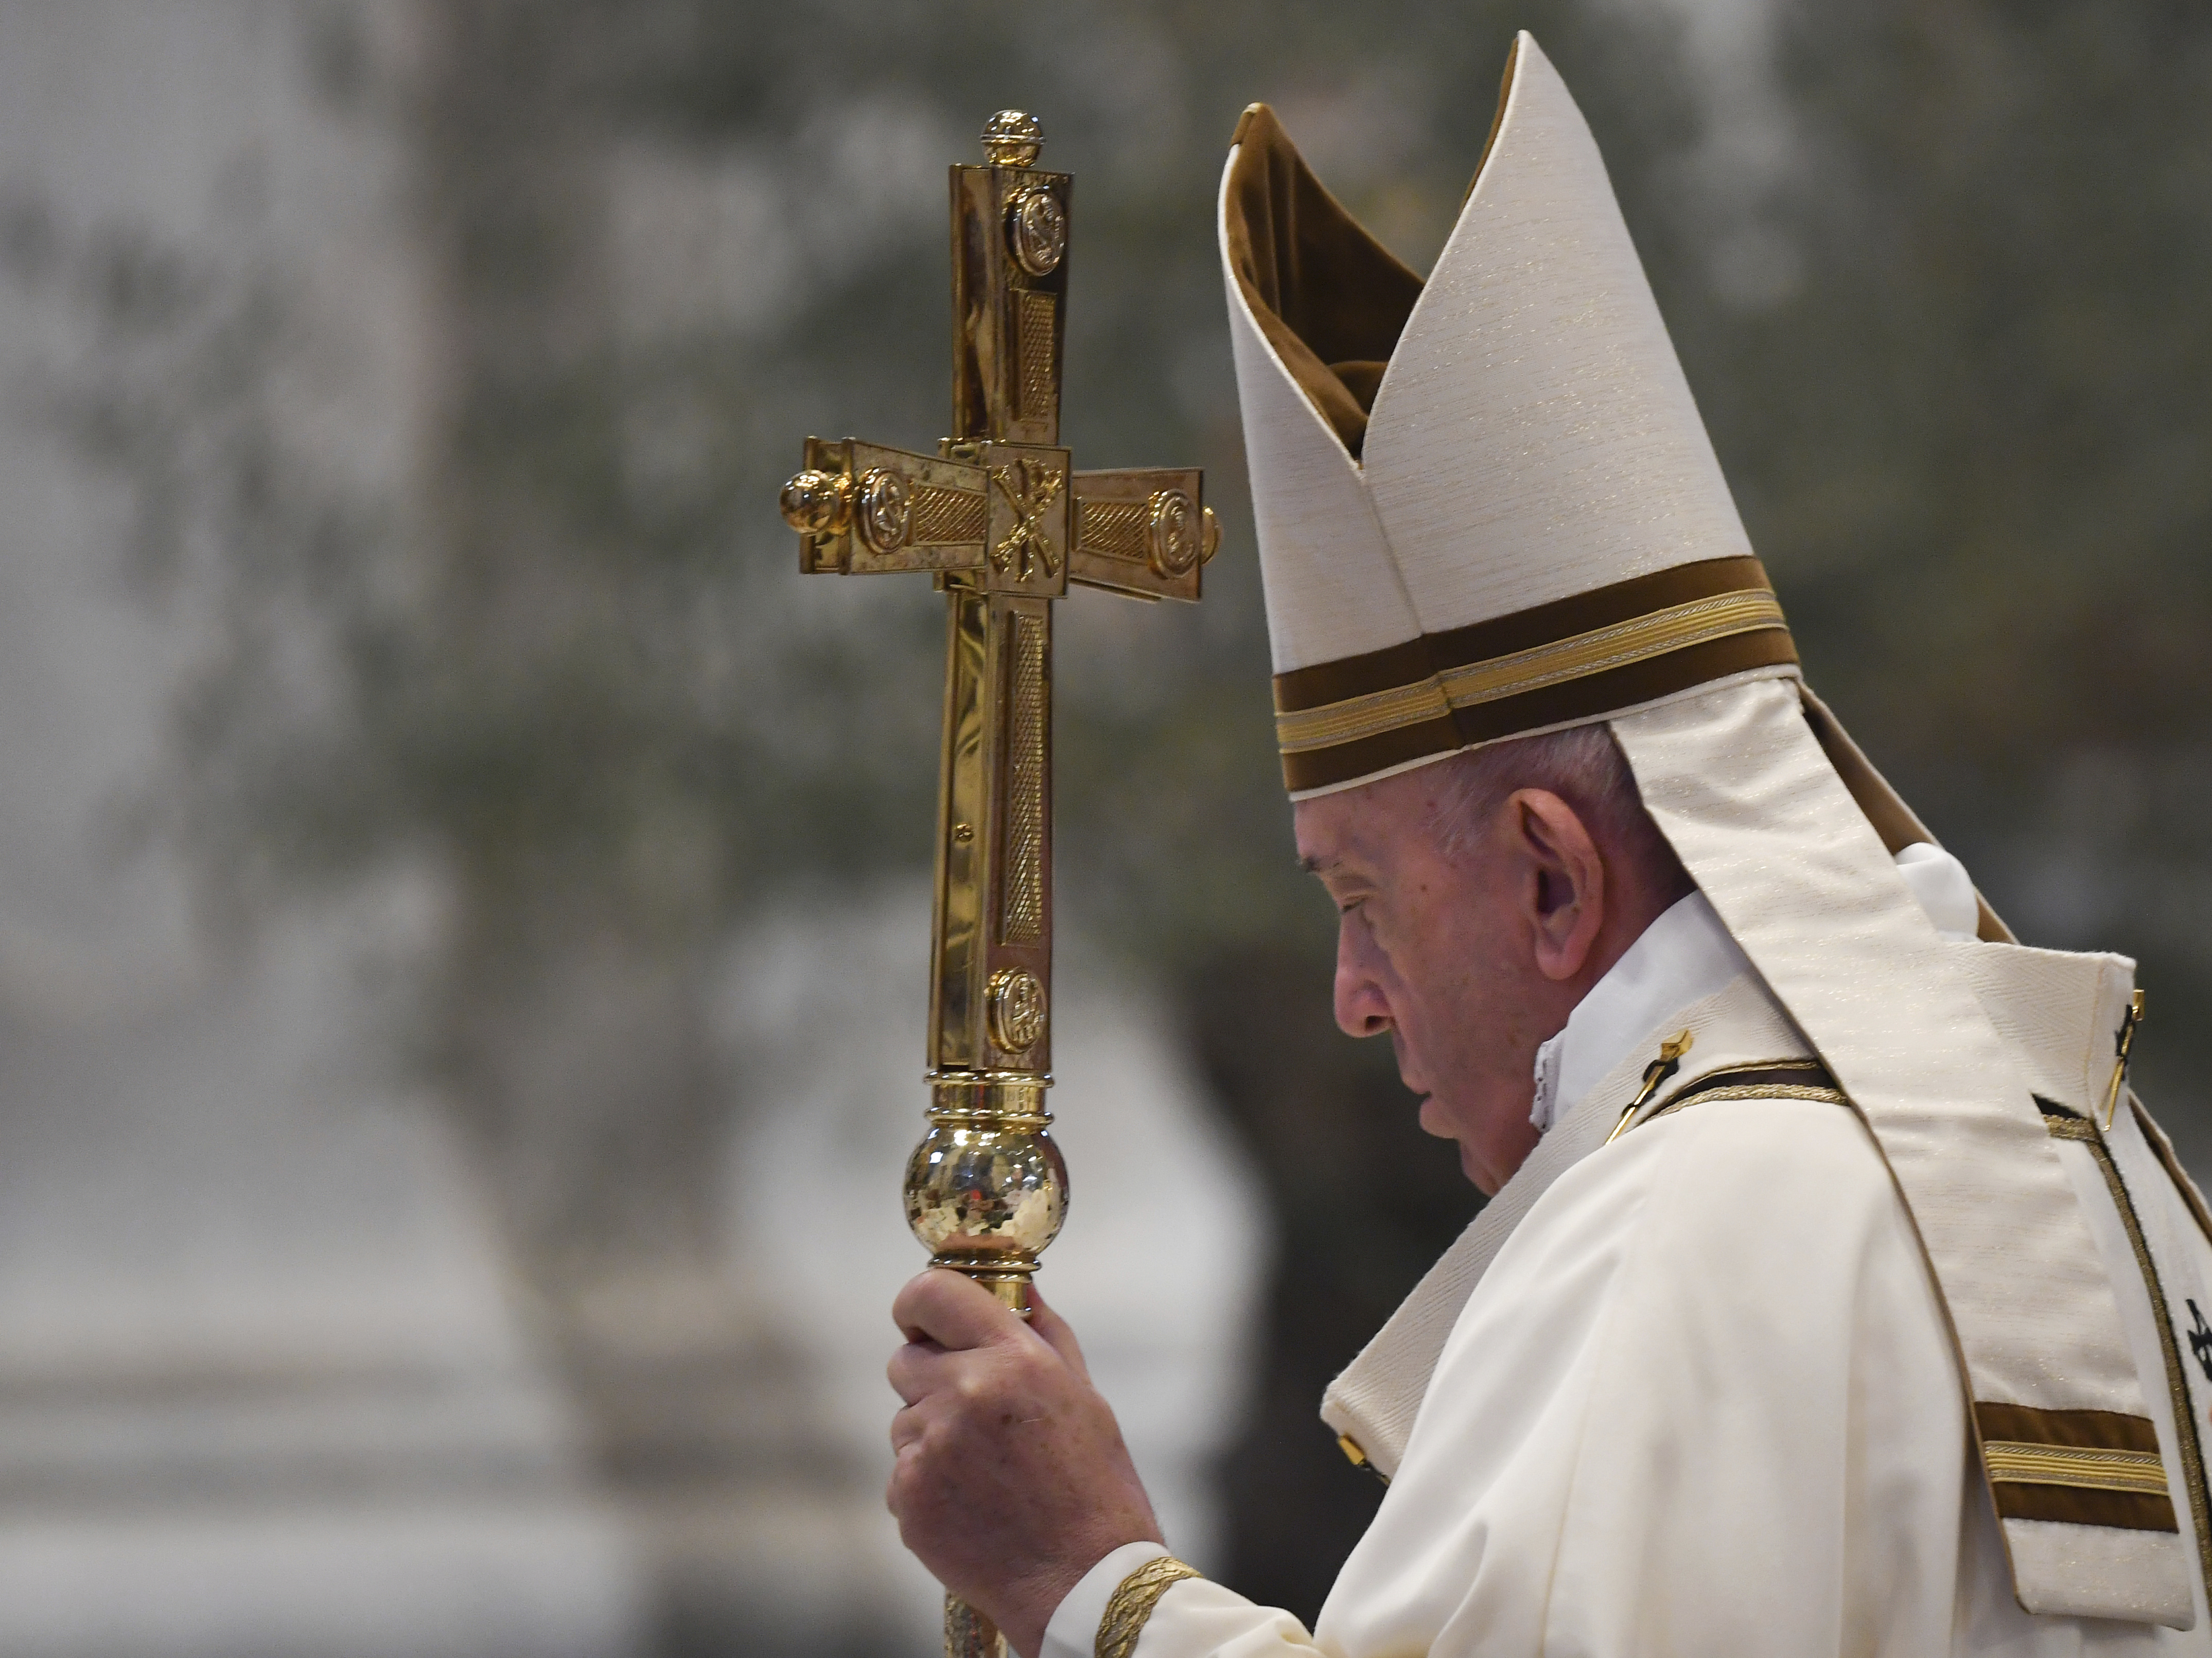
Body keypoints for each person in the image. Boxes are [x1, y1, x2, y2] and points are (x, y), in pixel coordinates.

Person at [888, 32, 2212, 1658]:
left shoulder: (1687, 1227)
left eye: (1362, 898)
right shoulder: (2077, 1153)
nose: (1352, 998)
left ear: (1548, 874)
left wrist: (1083, 1582)